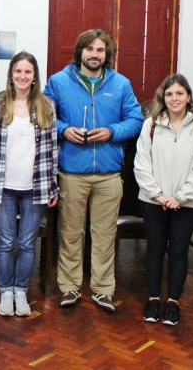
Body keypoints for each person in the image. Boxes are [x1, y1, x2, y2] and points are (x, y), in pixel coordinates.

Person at [43, 29, 143, 312]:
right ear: (80, 52)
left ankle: (102, 289)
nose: (94, 54)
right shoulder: (59, 82)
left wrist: (111, 132)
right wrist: (65, 130)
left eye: (100, 50)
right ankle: (70, 287)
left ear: (106, 54)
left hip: (109, 174)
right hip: (72, 172)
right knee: (70, 233)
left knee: (103, 234)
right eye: (89, 49)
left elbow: (136, 119)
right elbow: (45, 117)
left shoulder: (120, 84)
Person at [0, 51, 59, 317]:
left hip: (34, 188)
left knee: (26, 243)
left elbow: (52, 150)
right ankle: (5, 292)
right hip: (4, 186)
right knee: (4, 243)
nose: (22, 76)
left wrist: (53, 185)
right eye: (18, 71)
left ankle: (21, 291)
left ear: (35, 76)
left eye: (28, 72)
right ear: (11, 75)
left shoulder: (46, 107)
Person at [133, 74, 193, 326]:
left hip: (187, 204)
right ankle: (154, 298)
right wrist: (159, 195)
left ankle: (173, 303)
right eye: (169, 94)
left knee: (179, 252)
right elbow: (141, 164)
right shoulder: (151, 126)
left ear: (188, 96)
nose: (174, 98)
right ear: (163, 98)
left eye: (179, 93)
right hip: (153, 201)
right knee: (155, 250)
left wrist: (180, 197)